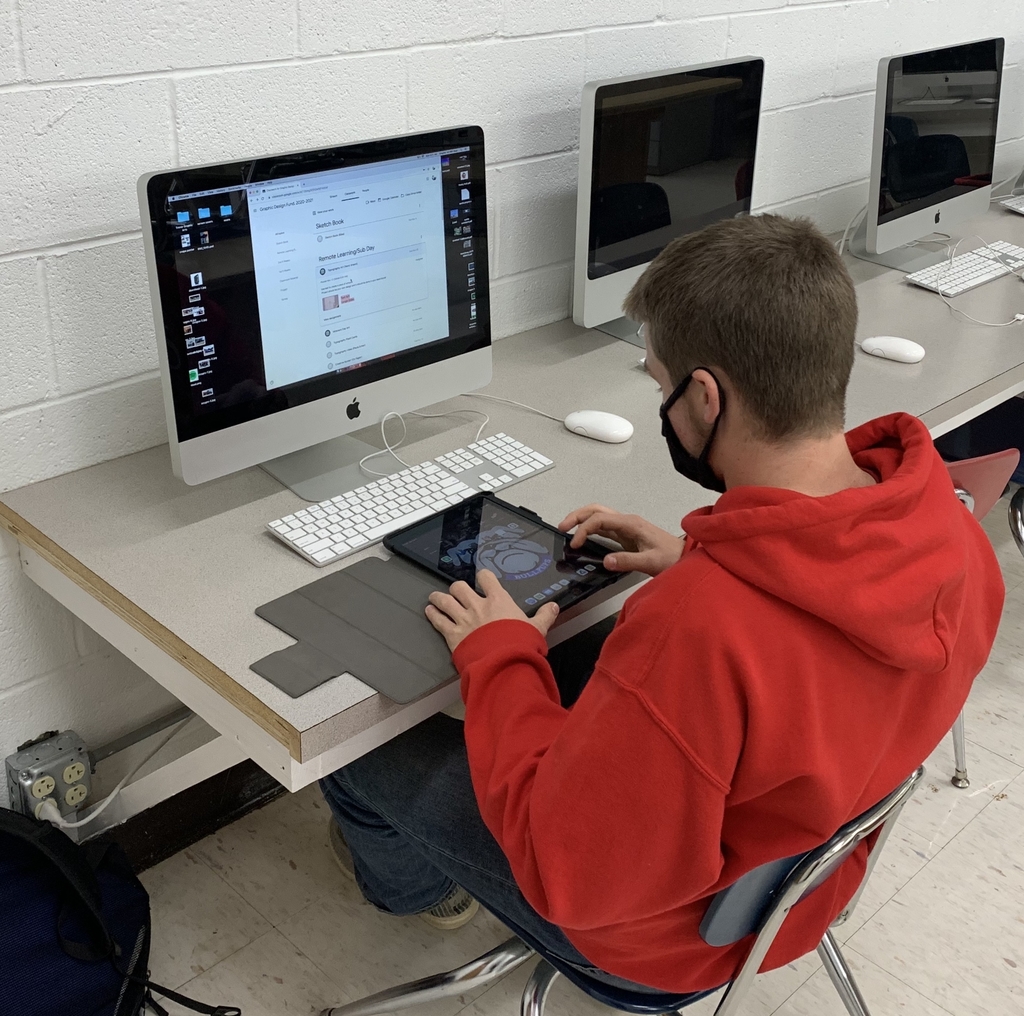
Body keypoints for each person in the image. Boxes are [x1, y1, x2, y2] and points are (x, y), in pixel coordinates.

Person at [320, 214, 1004, 995]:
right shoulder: (948, 530)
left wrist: (500, 656)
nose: (660, 400)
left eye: (657, 381)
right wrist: (702, 554)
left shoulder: (700, 630)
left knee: (359, 747)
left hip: (663, 945)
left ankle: (415, 892)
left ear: (706, 397)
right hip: (805, 882)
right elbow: (815, 644)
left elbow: (568, 872)